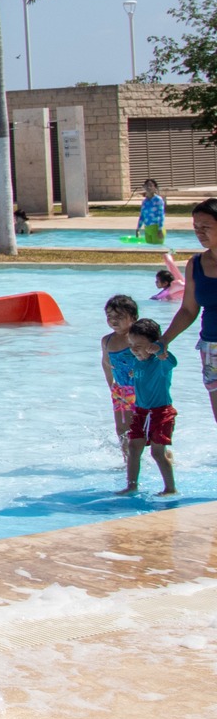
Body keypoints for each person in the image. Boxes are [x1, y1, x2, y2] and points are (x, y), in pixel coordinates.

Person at [158, 198, 217, 425]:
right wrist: (165, 339)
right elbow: (188, 310)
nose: (199, 233)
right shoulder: (196, 264)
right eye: (195, 228)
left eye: (205, 227)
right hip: (211, 349)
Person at [118, 319, 177, 496]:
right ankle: (132, 486)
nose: (134, 349)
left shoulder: (161, 361)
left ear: (152, 344)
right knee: (133, 448)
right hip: (141, 413)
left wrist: (160, 348)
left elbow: (172, 361)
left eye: (139, 345)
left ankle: (170, 488)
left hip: (161, 412)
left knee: (157, 453)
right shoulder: (137, 362)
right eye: (131, 344)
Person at [101, 294, 140, 447]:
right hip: (120, 390)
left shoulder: (137, 338)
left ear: (134, 317)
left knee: (140, 427)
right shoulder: (107, 340)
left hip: (140, 389)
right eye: (109, 316)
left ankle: (159, 454)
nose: (113, 320)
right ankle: (127, 460)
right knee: (122, 428)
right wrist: (110, 385)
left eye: (119, 316)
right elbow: (106, 363)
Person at [137, 179, 167, 246]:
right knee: (149, 250)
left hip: (156, 228)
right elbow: (142, 216)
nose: (149, 187)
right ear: (144, 187)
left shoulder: (158, 199)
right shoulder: (144, 201)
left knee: (158, 249)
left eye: (151, 186)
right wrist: (138, 228)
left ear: (155, 188)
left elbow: (161, 215)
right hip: (147, 229)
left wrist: (160, 229)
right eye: (147, 186)